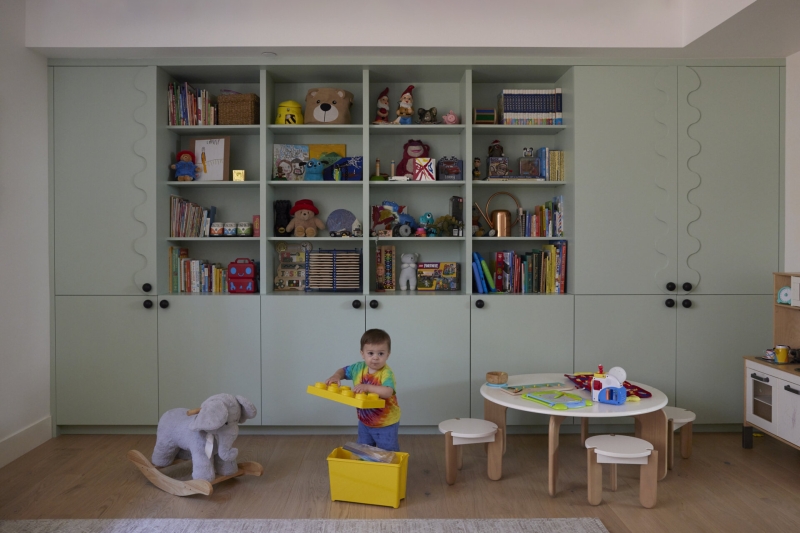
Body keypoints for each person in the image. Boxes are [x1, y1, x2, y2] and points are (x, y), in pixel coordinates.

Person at [326, 328, 401, 451]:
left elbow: (388, 391)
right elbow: (343, 371)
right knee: (364, 450)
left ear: (388, 354)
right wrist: (336, 376)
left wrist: (367, 387)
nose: (375, 358)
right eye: (370, 353)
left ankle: (387, 470)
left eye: (380, 353)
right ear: (362, 353)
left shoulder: (386, 373)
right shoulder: (358, 368)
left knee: (387, 452)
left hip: (385, 423)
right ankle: (367, 469)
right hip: (365, 421)